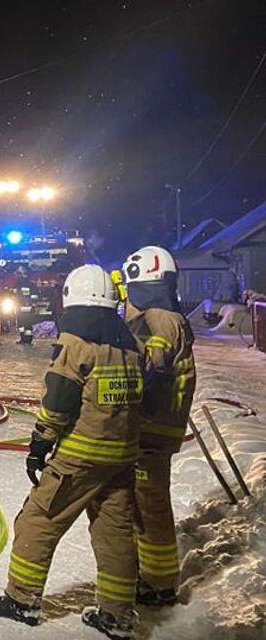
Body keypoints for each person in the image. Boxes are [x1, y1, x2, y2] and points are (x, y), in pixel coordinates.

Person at [0, 264, 145, 640]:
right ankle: (117, 615)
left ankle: (21, 600)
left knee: (38, 520)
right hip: (121, 456)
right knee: (115, 532)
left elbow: (59, 400)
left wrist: (41, 442)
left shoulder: (76, 343)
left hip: (80, 457)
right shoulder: (131, 346)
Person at [122, 245, 195, 607]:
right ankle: (151, 575)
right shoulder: (166, 315)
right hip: (159, 426)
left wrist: (135, 412)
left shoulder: (159, 319)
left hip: (152, 427)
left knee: (150, 506)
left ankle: (159, 583)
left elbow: (156, 373)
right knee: (143, 502)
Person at [14, 266, 40, 344]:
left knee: (22, 324)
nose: (17, 276)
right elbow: (35, 296)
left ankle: (23, 339)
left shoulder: (19, 284)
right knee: (27, 325)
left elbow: (15, 296)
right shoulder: (31, 284)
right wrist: (33, 306)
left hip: (21, 308)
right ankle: (27, 340)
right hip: (27, 309)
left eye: (19, 274)